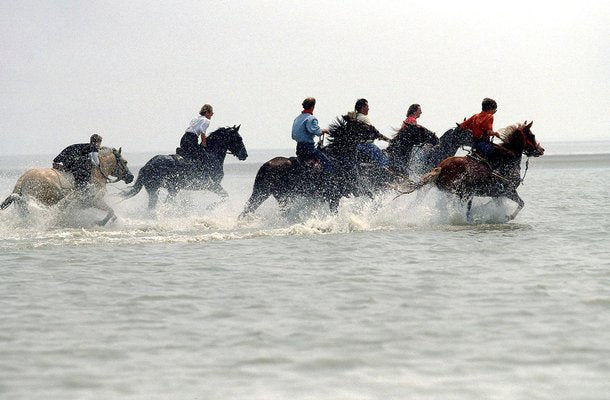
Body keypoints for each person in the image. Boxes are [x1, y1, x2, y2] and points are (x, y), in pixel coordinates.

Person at [292, 97, 333, 172]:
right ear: (312, 107)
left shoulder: (297, 118)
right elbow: (317, 132)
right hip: (308, 148)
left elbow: (294, 135)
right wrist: (325, 130)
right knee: (328, 163)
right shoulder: (311, 119)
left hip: (299, 148)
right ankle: (327, 182)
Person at [349, 98, 390, 168]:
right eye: (367, 106)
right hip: (366, 145)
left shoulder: (356, 118)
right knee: (384, 161)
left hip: (358, 145)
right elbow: (373, 131)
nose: (368, 108)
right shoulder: (364, 118)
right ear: (362, 108)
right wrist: (388, 140)